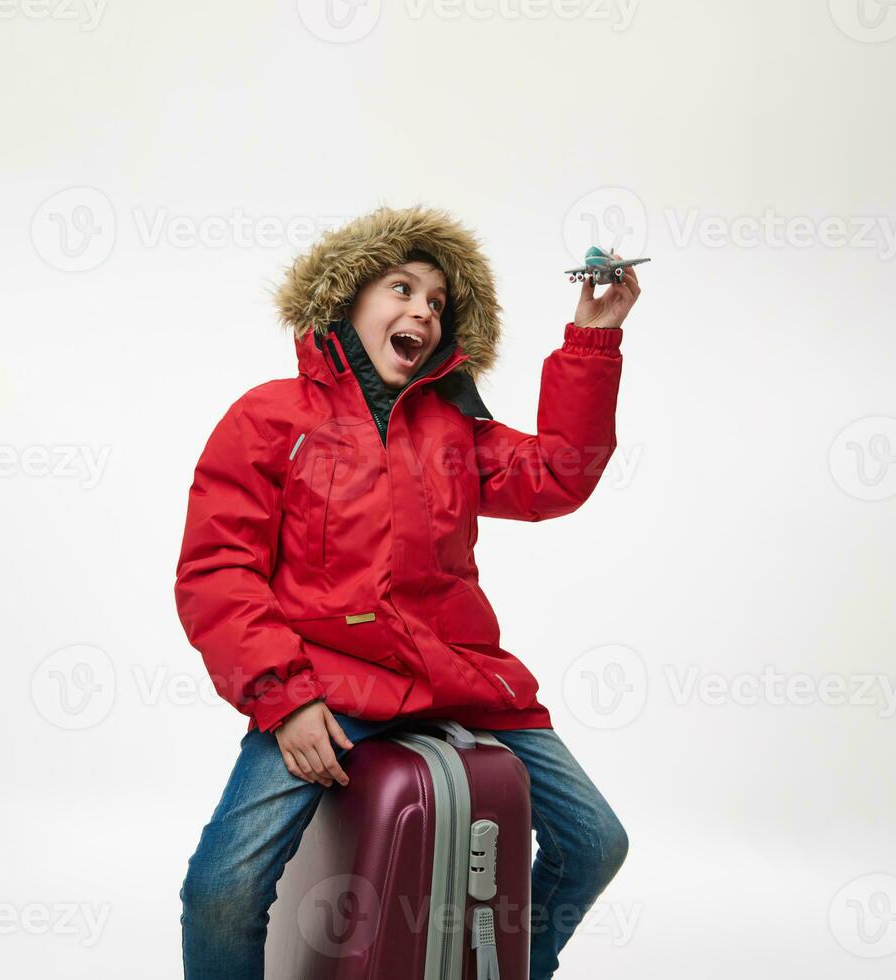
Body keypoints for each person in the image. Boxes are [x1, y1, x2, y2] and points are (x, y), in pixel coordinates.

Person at [174, 203, 640, 979]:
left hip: (457, 678)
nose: (421, 310)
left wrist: (594, 334)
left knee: (595, 841)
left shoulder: (454, 428)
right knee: (221, 890)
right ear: (348, 296)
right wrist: (284, 699)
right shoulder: (269, 417)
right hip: (325, 684)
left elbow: (558, 475)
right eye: (401, 287)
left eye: (436, 302)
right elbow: (217, 571)